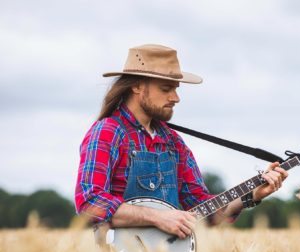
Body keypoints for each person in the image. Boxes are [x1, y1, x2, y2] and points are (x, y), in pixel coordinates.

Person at [74, 44, 288, 241]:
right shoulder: (108, 132)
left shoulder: (173, 142)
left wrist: (251, 195)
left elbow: (203, 211)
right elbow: (89, 203)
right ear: (138, 86)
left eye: (176, 89)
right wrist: (158, 217)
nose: (176, 97)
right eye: (166, 89)